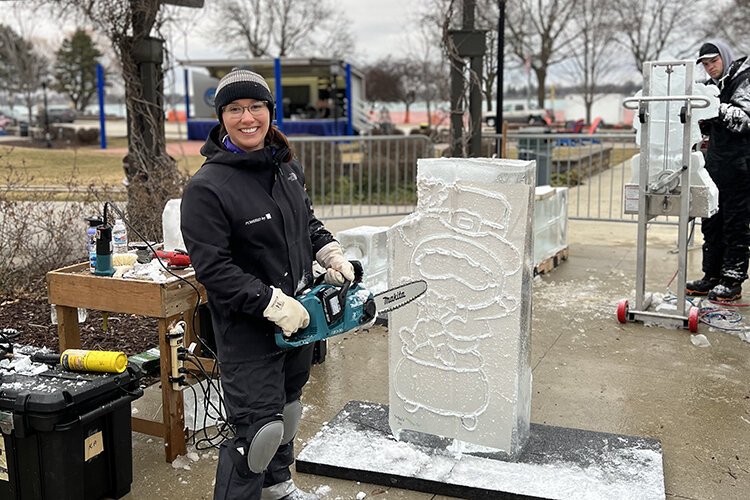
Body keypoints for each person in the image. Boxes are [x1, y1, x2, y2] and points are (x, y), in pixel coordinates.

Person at [180, 68, 354, 500]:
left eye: (256, 106)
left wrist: (328, 251)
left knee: (287, 413)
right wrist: (272, 304)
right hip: (249, 329)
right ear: (221, 118)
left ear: (270, 113)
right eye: (235, 109)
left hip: (300, 322)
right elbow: (214, 270)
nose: (247, 117)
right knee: (258, 435)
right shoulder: (207, 188)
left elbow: (306, 225)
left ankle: (278, 490)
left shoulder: (285, 168)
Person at [686, 40, 750, 301]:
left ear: (724, 58)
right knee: (711, 221)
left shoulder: (743, 81)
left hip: (740, 168)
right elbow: (711, 128)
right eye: (705, 64)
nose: (710, 67)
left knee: (735, 224)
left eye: (714, 61)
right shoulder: (713, 88)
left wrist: (715, 108)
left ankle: (732, 280)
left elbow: (744, 120)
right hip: (714, 167)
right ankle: (711, 275)